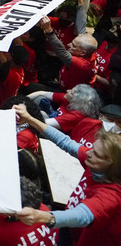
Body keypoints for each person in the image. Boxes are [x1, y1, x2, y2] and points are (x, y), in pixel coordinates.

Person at [14, 104, 121, 245]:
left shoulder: (112, 195)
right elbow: (65, 142)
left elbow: (83, 215)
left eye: (95, 154)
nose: (87, 153)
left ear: (111, 165)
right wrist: (30, 119)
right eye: (92, 149)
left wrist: (43, 217)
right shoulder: (96, 162)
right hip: (68, 227)